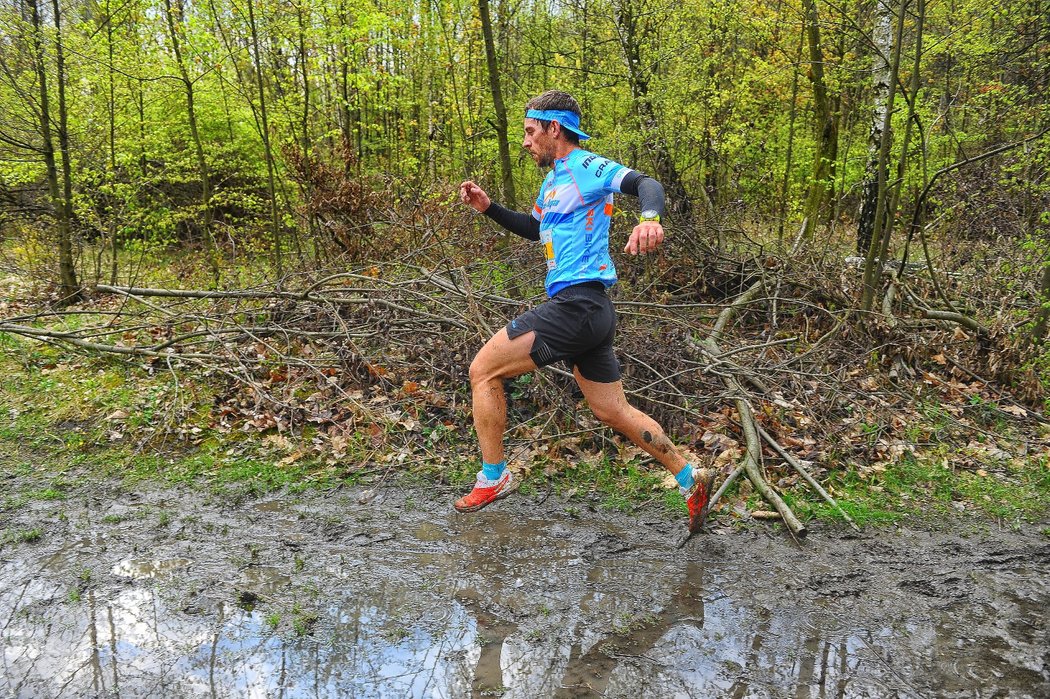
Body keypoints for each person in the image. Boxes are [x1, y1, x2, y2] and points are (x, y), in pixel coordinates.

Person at [455, 90, 717, 533]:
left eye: (530, 132)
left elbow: (646, 184)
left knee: (483, 371)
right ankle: (690, 478)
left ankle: (493, 478)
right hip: (592, 312)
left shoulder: (586, 166)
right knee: (612, 411)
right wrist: (489, 208)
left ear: (553, 129)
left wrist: (650, 217)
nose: (525, 142)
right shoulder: (553, 181)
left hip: (577, 305)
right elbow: (535, 227)